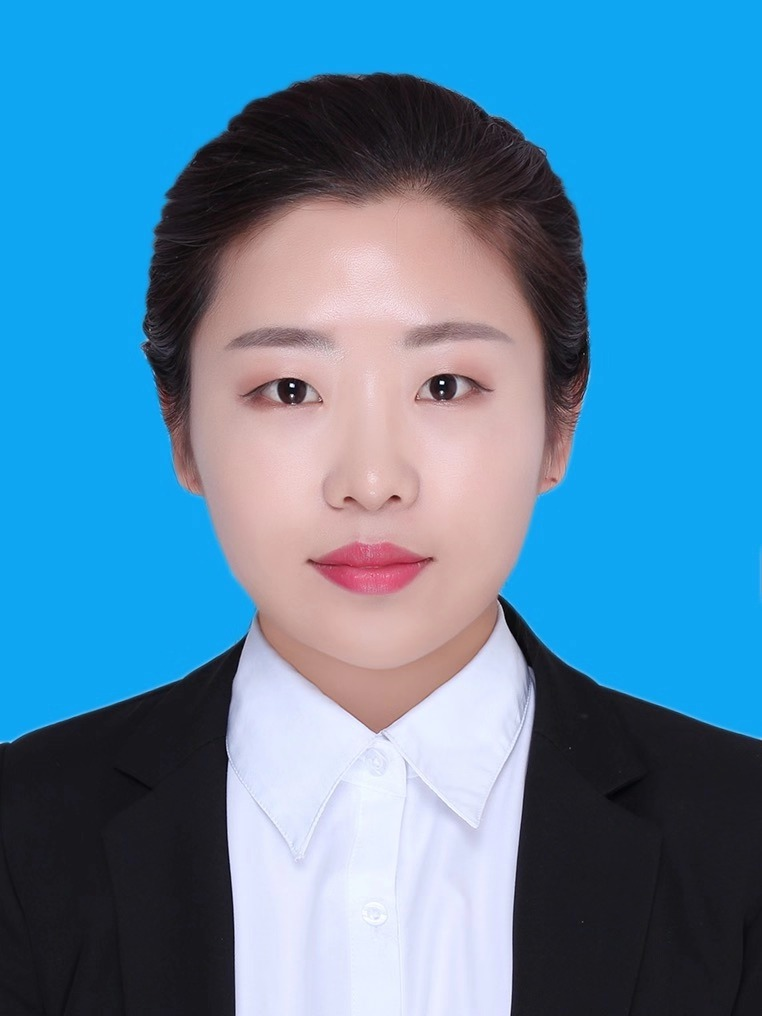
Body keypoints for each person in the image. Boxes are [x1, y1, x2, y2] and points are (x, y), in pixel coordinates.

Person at [1, 71, 760, 1016]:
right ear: (180, 427)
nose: (370, 479)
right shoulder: (21, 842)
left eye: (445, 386)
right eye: (289, 390)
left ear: (560, 422)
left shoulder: (743, 840)